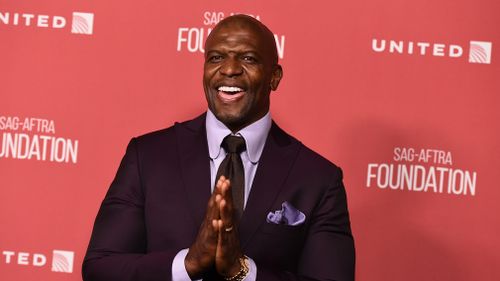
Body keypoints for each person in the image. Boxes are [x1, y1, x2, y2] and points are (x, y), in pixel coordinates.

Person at [82, 14, 355, 281]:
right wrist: (187, 265)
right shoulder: (148, 156)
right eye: (216, 58)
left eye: (248, 58)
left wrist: (244, 272)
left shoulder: (318, 179)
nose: (229, 69)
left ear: (275, 76)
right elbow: (101, 267)